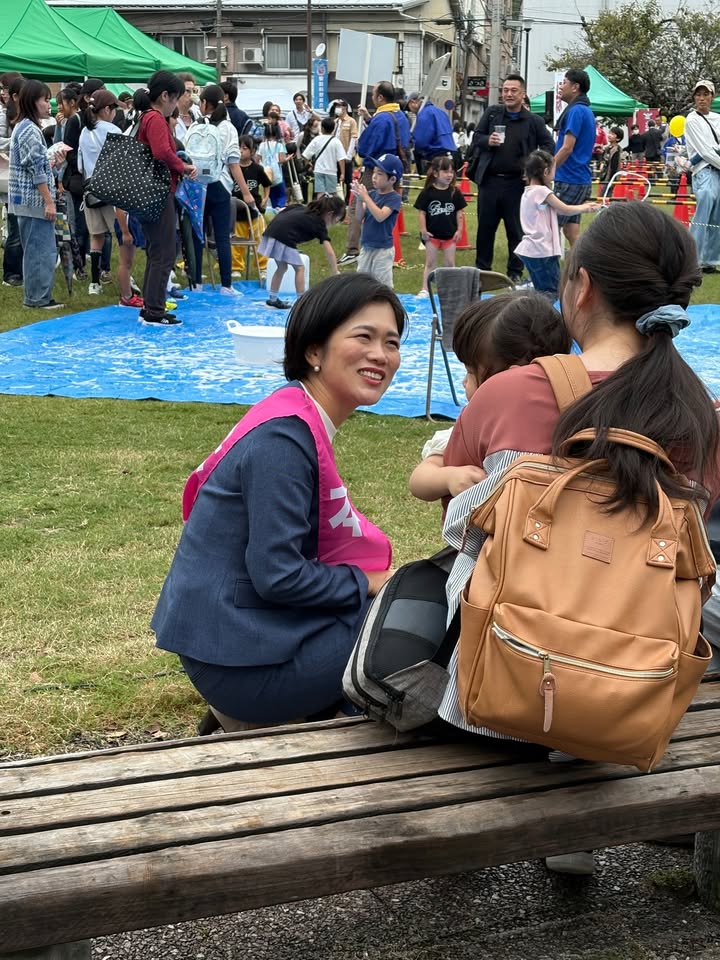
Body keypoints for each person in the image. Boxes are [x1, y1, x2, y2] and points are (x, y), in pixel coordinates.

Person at [436, 201, 720, 874]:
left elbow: (459, 513)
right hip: (631, 676)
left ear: (582, 287)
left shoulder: (511, 390)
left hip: (504, 677)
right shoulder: (701, 412)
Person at [151, 273, 404, 728]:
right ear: (313, 351)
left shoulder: (293, 414)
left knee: (392, 606)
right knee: (404, 618)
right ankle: (317, 738)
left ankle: (319, 714)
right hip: (242, 666)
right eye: (363, 337)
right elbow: (279, 576)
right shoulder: (283, 442)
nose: (380, 355)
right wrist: (368, 581)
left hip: (232, 637)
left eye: (391, 342)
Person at [409, 293, 571, 506]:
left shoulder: (569, 421)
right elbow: (419, 480)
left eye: (470, 372)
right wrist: (449, 477)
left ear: (511, 379)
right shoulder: (474, 427)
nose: (463, 382)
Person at [468, 73, 554, 282]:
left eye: (513, 91)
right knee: (485, 228)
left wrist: (535, 165)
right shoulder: (492, 114)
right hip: (490, 181)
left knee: (516, 230)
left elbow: (549, 145)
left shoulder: (533, 121)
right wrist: (489, 139)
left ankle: (514, 272)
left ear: (523, 94)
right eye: (505, 90)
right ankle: (482, 271)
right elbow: (476, 137)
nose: (508, 94)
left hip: (517, 183)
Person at [136, 72, 197, 326]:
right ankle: (154, 310)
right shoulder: (156, 119)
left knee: (156, 251)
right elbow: (161, 152)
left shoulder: (145, 117)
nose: (176, 105)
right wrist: (182, 167)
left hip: (151, 192)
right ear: (165, 96)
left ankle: (151, 306)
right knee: (165, 252)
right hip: (160, 192)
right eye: (176, 98)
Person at [186, 83, 254, 297]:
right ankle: (226, 285)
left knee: (198, 235)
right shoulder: (228, 128)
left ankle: (195, 283)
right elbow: (234, 163)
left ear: (204, 103)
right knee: (223, 237)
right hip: (220, 185)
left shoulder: (195, 126)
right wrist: (245, 192)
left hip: (197, 185)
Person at [338, 81, 410, 266]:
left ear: (380, 97)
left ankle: (352, 250)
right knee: (387, 208)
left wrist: (369, 126)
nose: (371, 97)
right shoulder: (400, 115)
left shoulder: (381, 119)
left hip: (377, 170)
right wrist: (369, 118)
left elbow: (365, 148)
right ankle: (384, 245)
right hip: (394, 169)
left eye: (373, 95)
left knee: (357, 205)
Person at [7, 79, 64, 310]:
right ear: (33, 101)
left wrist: (55, 164)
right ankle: (38, 299)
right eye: (43, 98)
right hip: (35, 202)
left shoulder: (23, 126)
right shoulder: (30, 129)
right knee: (42, 251)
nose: (47, 103)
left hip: (27, 200)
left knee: (35, 250)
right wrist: (49, 202)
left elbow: (37, 167)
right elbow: (36, 170)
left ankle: (35, 297)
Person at [515, 149, 600, 301]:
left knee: (542, 289)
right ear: (546, 171)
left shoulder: (528, 192)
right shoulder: (542, 192)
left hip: (532, 250)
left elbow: (557, 211)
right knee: (552, 292)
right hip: (542, 251)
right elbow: (565, 209)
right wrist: (586, 207)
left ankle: (534, 314)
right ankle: (545, 319)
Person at [258, 194, 345, 308]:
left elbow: (283, 212)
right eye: (336, 220)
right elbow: (329, 251)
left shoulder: (303, 208)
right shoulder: (319, 224)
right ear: (329, 214)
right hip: (284, 237)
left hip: (271, 232)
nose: (334, 224)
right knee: (300, 268)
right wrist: (335, 271)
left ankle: (273, 299)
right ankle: (302, 303)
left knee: (282, 267)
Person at [78, 89, 122, 297]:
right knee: (122, 235)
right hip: (112, 189)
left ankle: (94, 283)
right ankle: (125, 277)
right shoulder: (112, 129)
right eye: (114, 109)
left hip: (91, 190)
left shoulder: (85, 131)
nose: (115, 113)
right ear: (106, 109)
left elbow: (80, 165)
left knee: (96, 236)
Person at [553, 68, 596, 246]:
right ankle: (581, 270)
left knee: (550, 230)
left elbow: (567, 147)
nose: (560, 87)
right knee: (571, 232)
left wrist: (548, 169)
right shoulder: (586, 110)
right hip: (580, 178)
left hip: (569, 178)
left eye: (564, 83)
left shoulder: (576, 111)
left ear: (575, 87)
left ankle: (545, 274)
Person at [414, 156, 467, 296]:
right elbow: (422, 213)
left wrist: (459, 230)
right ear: (436, 173)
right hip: (432, 236)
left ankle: (451, 289)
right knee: (430, 263)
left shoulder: (455, 192)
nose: (449, 175)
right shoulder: (427, 193)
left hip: (450, 235)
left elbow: (459, 213)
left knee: (450, 264)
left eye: (451, 172)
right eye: (445, 172)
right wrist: (423, 230)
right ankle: (425, 289)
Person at [352, 152, 403, 287]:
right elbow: (358, 216)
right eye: (374, 172)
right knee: (361, 283)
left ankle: (386, 306)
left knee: (382, 285)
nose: (374, 177)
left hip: (383, 249)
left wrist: (366, 198)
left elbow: (380, 216)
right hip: (366, 246)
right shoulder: (372, 195)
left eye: (380, 174)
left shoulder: (394, 198)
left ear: (392, 179)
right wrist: (359, 198)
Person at [684, 79, 720, 275]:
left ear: (712, 97)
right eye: (698, 94)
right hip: (704, 169)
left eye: (706, 94)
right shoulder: (692, 119)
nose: (702, 98)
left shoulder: (717, 118)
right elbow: (705, 152)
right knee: (704, 205)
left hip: (717, 169)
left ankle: (710, 260)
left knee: (717, 215)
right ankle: (692, 259)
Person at [231, 134, 271, 279]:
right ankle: (235, 267)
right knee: (236, 240)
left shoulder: (258, 169)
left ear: (252, 151)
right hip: (237, 211)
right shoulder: (231, 168)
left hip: (255, 210)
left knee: (260, 238)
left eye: (245, 148)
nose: (241, 151)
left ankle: (263, 267)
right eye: (239, 148)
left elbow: (267, 185)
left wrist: (265, 199)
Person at [406, 92, 456, 172]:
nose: (411, 111)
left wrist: (413, 144)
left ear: (413, 102)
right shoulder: (441, 112)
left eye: (409, 108)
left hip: (433, 156)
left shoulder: (424, 114)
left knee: (431, 182)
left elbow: (421, 141)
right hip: (448, 154)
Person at [302, 116, 346, 197]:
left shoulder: (317, 139)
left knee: (320, 193)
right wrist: (343, 173)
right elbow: (341, 159)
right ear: (333, 128)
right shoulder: (336, 141)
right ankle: (332, 208)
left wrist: (309, 164)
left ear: (322, 128)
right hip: (331, 171)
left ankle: (320, 209)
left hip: (319, 170)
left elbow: (305, 155)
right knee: (332, 193)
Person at [331, 100, 358, 202]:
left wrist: (349, 154)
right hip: (335, 155)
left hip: (346, 154)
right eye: (336, 106)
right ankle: (338, 198)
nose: (337, 108)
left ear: (345, 108)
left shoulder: (351, 121)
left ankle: (348, 200)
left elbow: (353, 138)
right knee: (337, 177)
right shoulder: (335, 121)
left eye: (339, 106)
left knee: (348, 179)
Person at [257, 120, 288, 210]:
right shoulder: (279, 145)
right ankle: (280, 206)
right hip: (277, 173)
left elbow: (257, 159)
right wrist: (287, 159)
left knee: (271, 194)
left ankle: (275, 208)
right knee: (281, 194)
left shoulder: (262, 145)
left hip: (266, 173)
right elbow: (281, 160)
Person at [598, 126, 624, 196]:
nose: (609, 135)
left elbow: (614, 166)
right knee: (605, 195)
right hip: (605, 175)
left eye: (612, 134)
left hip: (610, 177)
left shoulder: (617, 150)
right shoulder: (607, 148)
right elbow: (603, 159)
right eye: (609, 133)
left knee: (603, 195)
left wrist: (612, 179)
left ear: (618, 138)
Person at [175, 73, 201, 143]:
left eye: (194, 91)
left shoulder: (198, 113)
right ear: (177, 92)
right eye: (187, 91)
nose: (192, 95)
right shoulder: (170, 115)